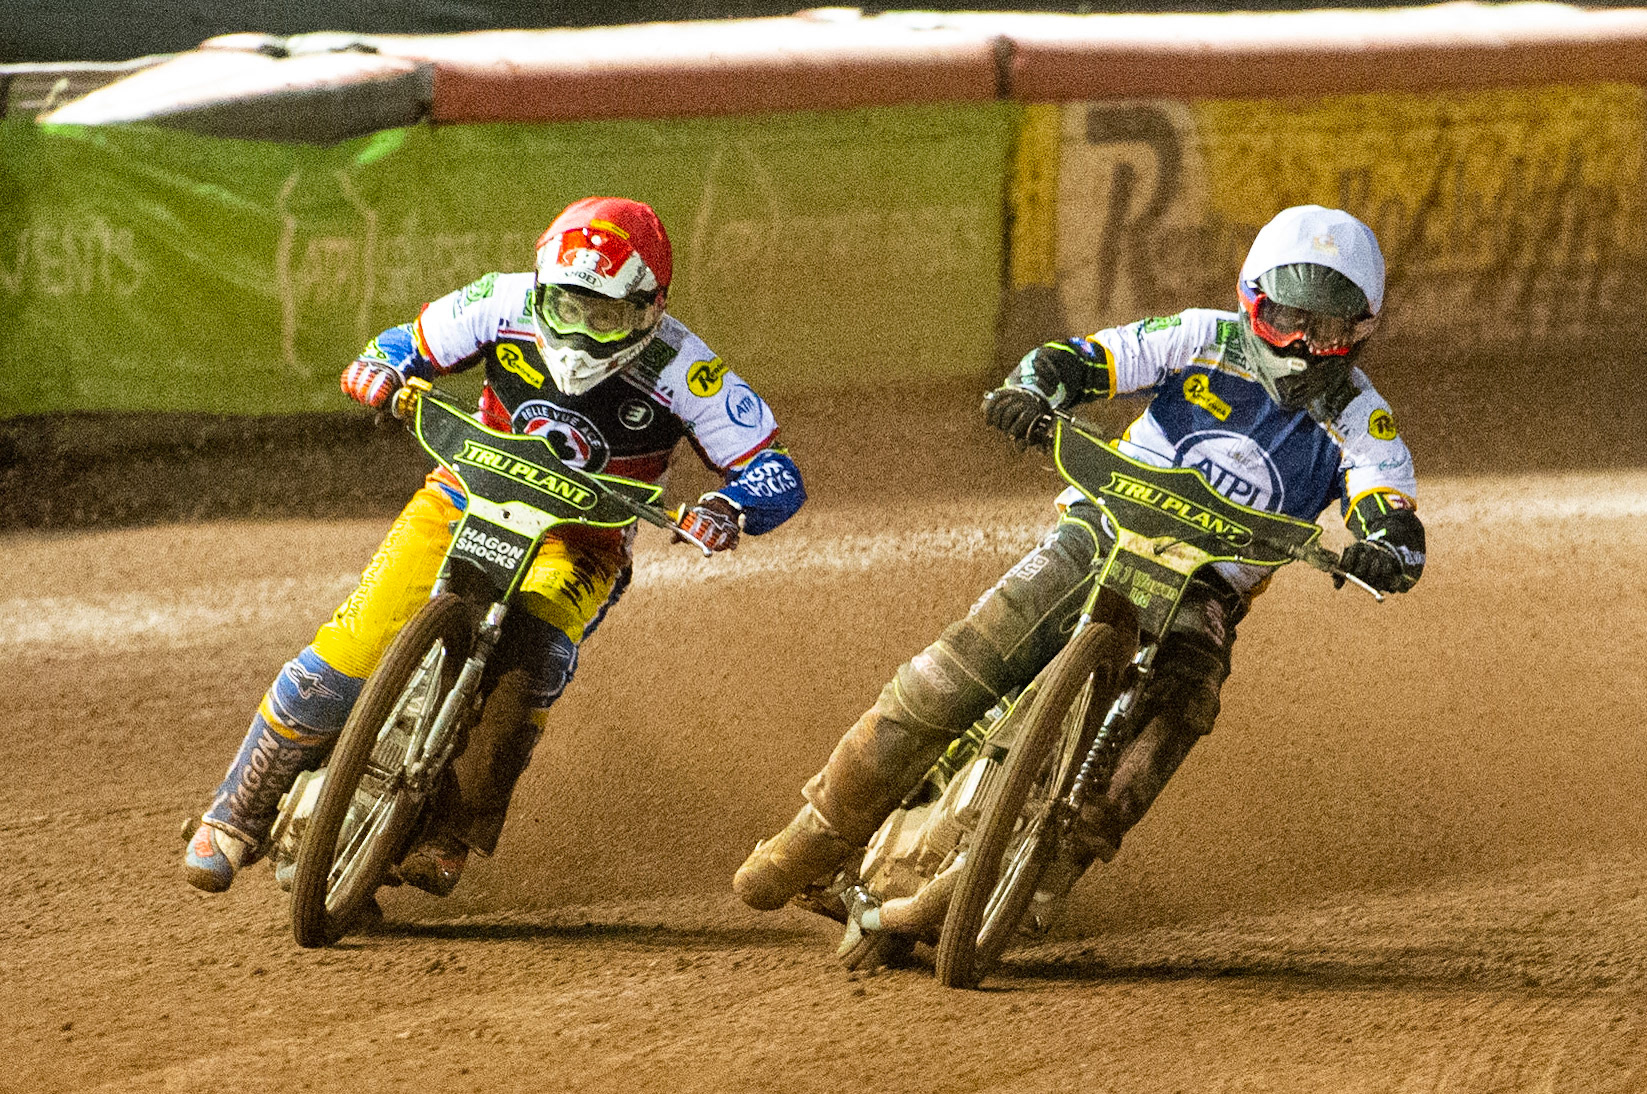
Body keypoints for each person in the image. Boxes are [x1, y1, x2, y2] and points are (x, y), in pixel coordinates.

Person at [733, 204, 1425, 922]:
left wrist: (1386, 546)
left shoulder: (1359, 418)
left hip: (1206, 590)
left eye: (1331, 330)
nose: (1306, 347)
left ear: (1362, 333)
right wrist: (1031, 391)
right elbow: (1084, 359)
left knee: (1184, 703)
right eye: (1288, 320)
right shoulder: (1197, 337)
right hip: (1098, 533)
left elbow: (1386, 498)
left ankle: (1052, 866)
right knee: (950, 673)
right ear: (1250, 301)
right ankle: (814, 835)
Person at [184, 195, 806, 896]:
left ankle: (449, 833)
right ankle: (235, 811)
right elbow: (402, 344)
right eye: (567, 308)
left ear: (648, 309)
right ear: (542, 288)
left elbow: (774, 470)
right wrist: (379, 370)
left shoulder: (686, 369)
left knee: (532, 663)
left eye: (604, 316)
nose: (580, 331)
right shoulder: (498, 301)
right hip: (463, 495)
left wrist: (731, 506)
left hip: (581, 541)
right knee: (354, 642)